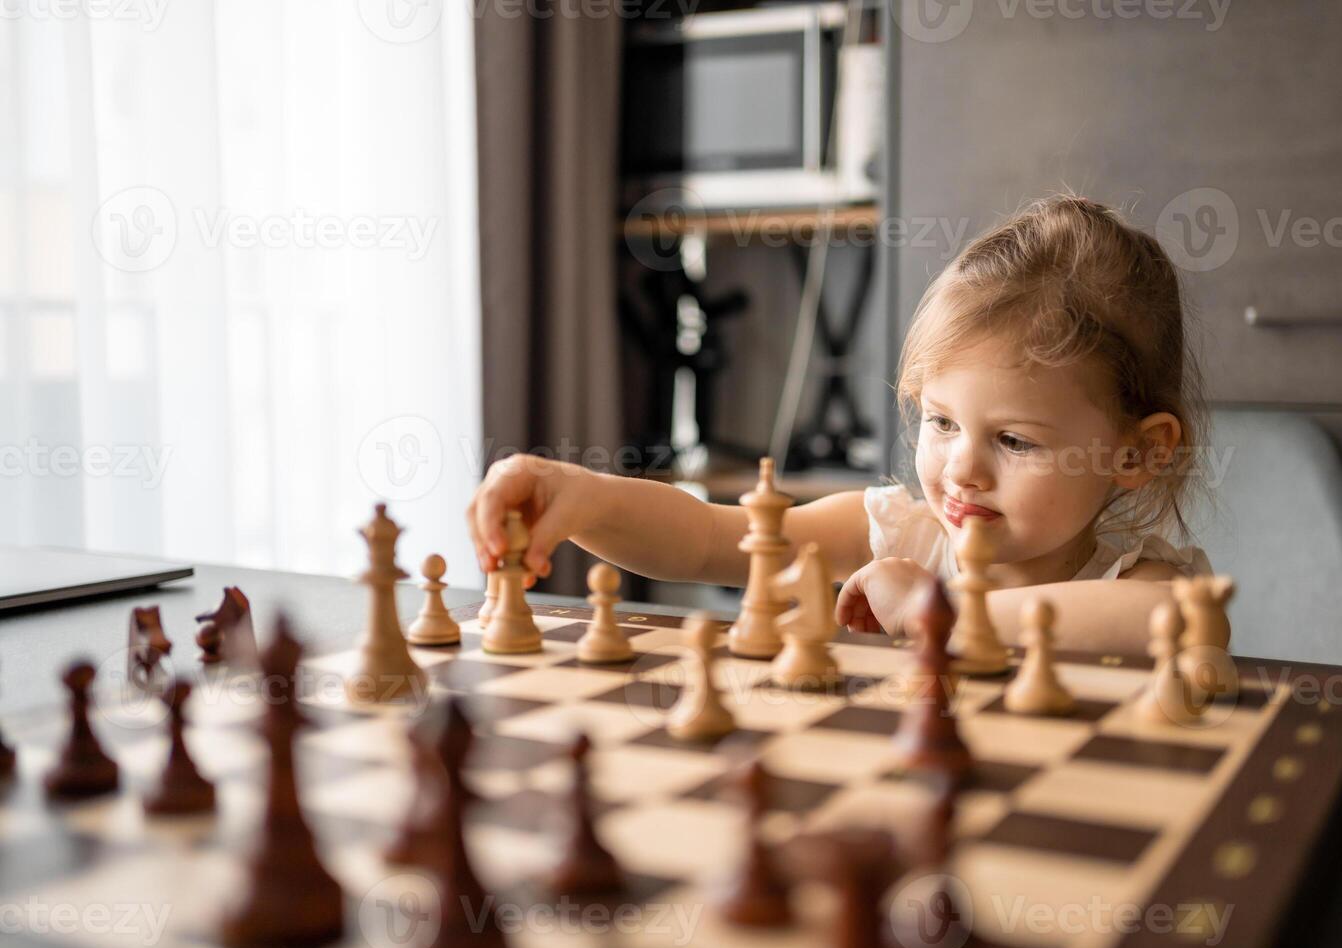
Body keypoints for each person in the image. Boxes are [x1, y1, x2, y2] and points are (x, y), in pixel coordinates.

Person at [466, 196, 1214, 653]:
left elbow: (1168, 620)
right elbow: (703, 541)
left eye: (1013, 440)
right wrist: (585, 496)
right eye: (942, 421)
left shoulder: (1138, 584)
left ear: (1138, 452)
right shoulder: (897, 540)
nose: (961, 470)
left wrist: (941, 612)